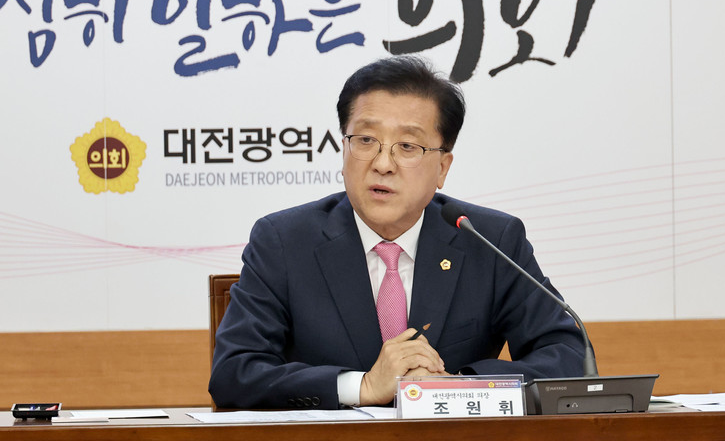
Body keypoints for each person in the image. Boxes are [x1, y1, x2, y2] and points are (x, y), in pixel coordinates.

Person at [209, 55, 585, 409]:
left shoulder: (488, 240)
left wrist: (458, 386)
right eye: (366, 140)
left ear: (442, 167)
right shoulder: (284, 242)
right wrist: (362, 386)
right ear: (344, 147)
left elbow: (570, 357)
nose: (383, 164)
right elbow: (234, 373)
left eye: (407, 146)